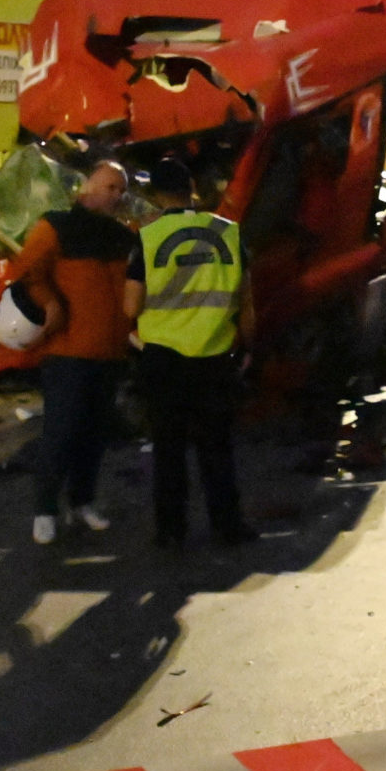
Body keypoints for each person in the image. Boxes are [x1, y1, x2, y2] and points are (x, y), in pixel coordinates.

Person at [124, 159, 256, 550]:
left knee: (169, 449)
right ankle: (228, 526)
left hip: (163, 360)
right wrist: (247, 347)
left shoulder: (147, 239)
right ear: (193, 188)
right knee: (217, 447)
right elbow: (246, 302)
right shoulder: (229, 234)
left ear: (154, 194)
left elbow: (130, 308)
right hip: (216, 356)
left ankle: (171, 531)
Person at [11, 159, 140, 545]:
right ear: (86, 188)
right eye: (108, 187)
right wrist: (49, 303)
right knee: (61, 433)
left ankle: (82, 501)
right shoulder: (56, 227)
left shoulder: (122, 237)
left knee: (93, 435)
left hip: (109, 353)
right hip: (67, 352)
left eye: (120, 189)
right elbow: (28, 271)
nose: (115, 195)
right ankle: (45, 510)